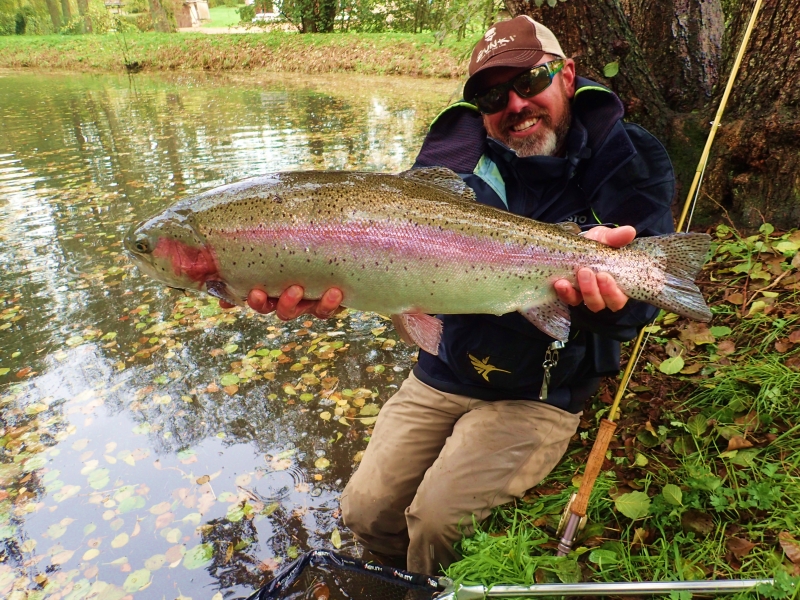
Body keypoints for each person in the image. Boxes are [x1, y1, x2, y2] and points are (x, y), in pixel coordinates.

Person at [226, 16, 675, 576]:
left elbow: (635, 316)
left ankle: (429, 583)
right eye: (491, 94)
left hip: (537, 390)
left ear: (567, 74)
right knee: (362, 512)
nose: (514, 104)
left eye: (530, 81)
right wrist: (321, 280)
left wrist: (603, 297)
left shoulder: (630, 157)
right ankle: (399, 578)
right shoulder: (452, 160)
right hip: (443, 367)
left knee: (434, 523)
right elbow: (396, 263)